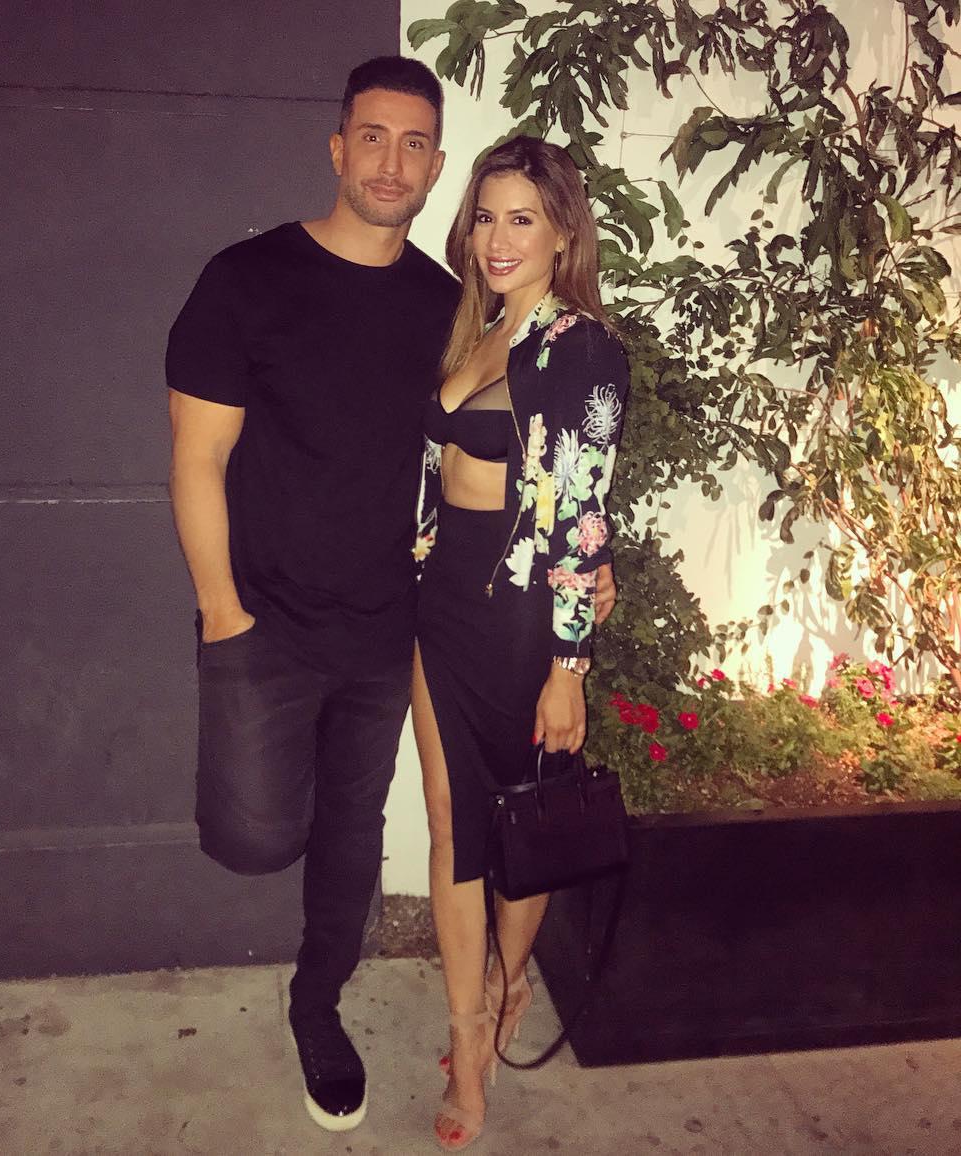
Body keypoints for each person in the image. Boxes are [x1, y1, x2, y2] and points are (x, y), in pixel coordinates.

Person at [164, 57, 457, 1131]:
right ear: (338, 148)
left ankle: (317, 1004)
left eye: (414, 143)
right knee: (252, 837)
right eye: (373, 136)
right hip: (266, 623)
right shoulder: (245, 281)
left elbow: (493, 454)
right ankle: (300, 945)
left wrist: (582, 556)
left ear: (435, 166)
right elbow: (196, 457)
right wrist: (221, 613)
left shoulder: (447, 307)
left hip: (384, 630)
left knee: (349, 832)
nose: (391, 161)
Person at [412, 136, 630, 1151]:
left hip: (519, 616)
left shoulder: (581, 348)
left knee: (522, 822)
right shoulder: (476, 327)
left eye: (522, 220)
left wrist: (568, 667)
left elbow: (582, 516)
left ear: (563, 233)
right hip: (438, 603)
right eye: (486, 218)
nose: (498, 240)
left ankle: (506, 995)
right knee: (449, 819)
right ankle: (468, 1031)